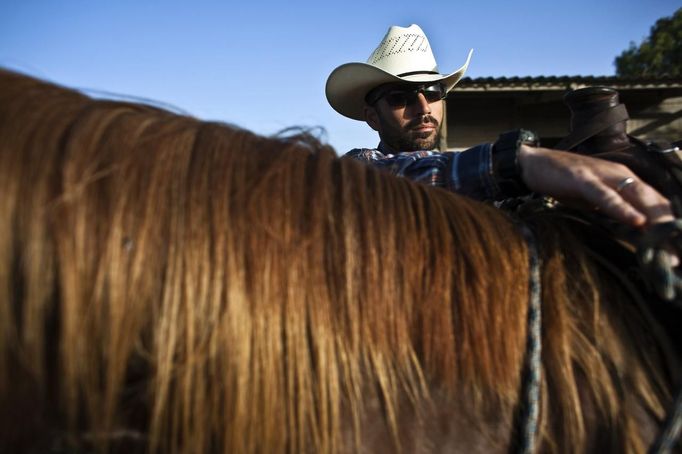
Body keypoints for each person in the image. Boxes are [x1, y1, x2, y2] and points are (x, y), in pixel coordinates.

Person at [325, 24, 673, 227]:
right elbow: (394, 180)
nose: (422, 107)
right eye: (401, 97)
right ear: (372, 117)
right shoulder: (359, 170)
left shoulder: (463, 171)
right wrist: (514, 162)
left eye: (432, 92)